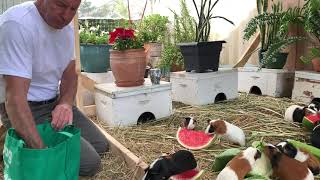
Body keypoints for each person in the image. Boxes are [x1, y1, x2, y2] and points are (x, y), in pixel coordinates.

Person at [0, 0, 109, 176]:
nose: (66, 15)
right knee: (90, 165)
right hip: (25, 107)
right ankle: (20, 150)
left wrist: (65, 103)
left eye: (73, 9)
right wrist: (43, 155)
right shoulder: (17, 24)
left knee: (101, 146)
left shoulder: (65, 29)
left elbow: (70, 75)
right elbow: (14, 100)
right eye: (61, 5)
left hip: (53, 102)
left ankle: (34, 145)